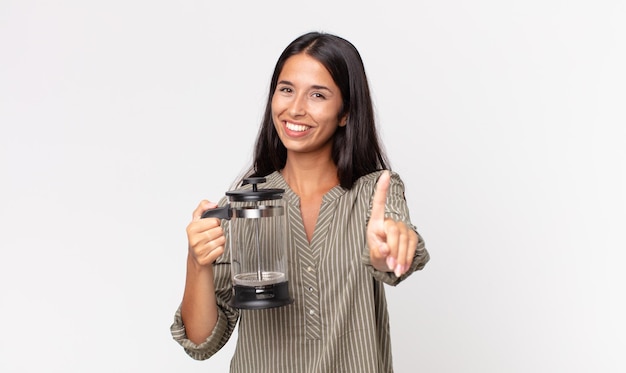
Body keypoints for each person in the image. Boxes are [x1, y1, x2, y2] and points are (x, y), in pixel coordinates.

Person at [170, 31, 430, 372]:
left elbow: (397, 246)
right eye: (286, 89)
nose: (295, 108)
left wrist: (390, 251)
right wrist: (196, 263)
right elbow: (202, 341)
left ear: (345, 112)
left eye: (318, 95)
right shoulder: (244, 206)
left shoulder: (375, 192)